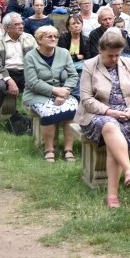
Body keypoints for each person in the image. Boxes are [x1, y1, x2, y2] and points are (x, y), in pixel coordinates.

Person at [76, 30, 130, 208]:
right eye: (110, 56)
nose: (114, 59)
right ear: (100, 51)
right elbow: (86, 99)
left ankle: (112, 196)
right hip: (95, 115)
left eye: (117, 55)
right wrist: (109, 112)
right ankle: (129, 170)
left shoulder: (128, 63)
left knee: (115, 136)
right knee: (111, 127)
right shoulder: (90, 65)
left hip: (125, 114)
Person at [23, 26, 78, 162]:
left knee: (74, 110)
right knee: (49, 112)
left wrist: (65, 91)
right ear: (39, 40)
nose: (54, 39)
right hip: (37, 94)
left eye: (55, 36)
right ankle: (49, 149)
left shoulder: (64, 53)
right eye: (49, 36)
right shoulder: (30, 56)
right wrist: (55, 91)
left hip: (63, 92)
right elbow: (32, 82)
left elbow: (73, 75)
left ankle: (68, 149)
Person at [0, 13, 37, 135]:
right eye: (17, 24)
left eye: (22, 23)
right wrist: (9, 80)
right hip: (3, 72)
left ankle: (35, 124)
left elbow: (37, 58)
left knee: (39, 86)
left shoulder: (29, 38)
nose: (21, 26)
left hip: (25, 72)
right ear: (7, 28)